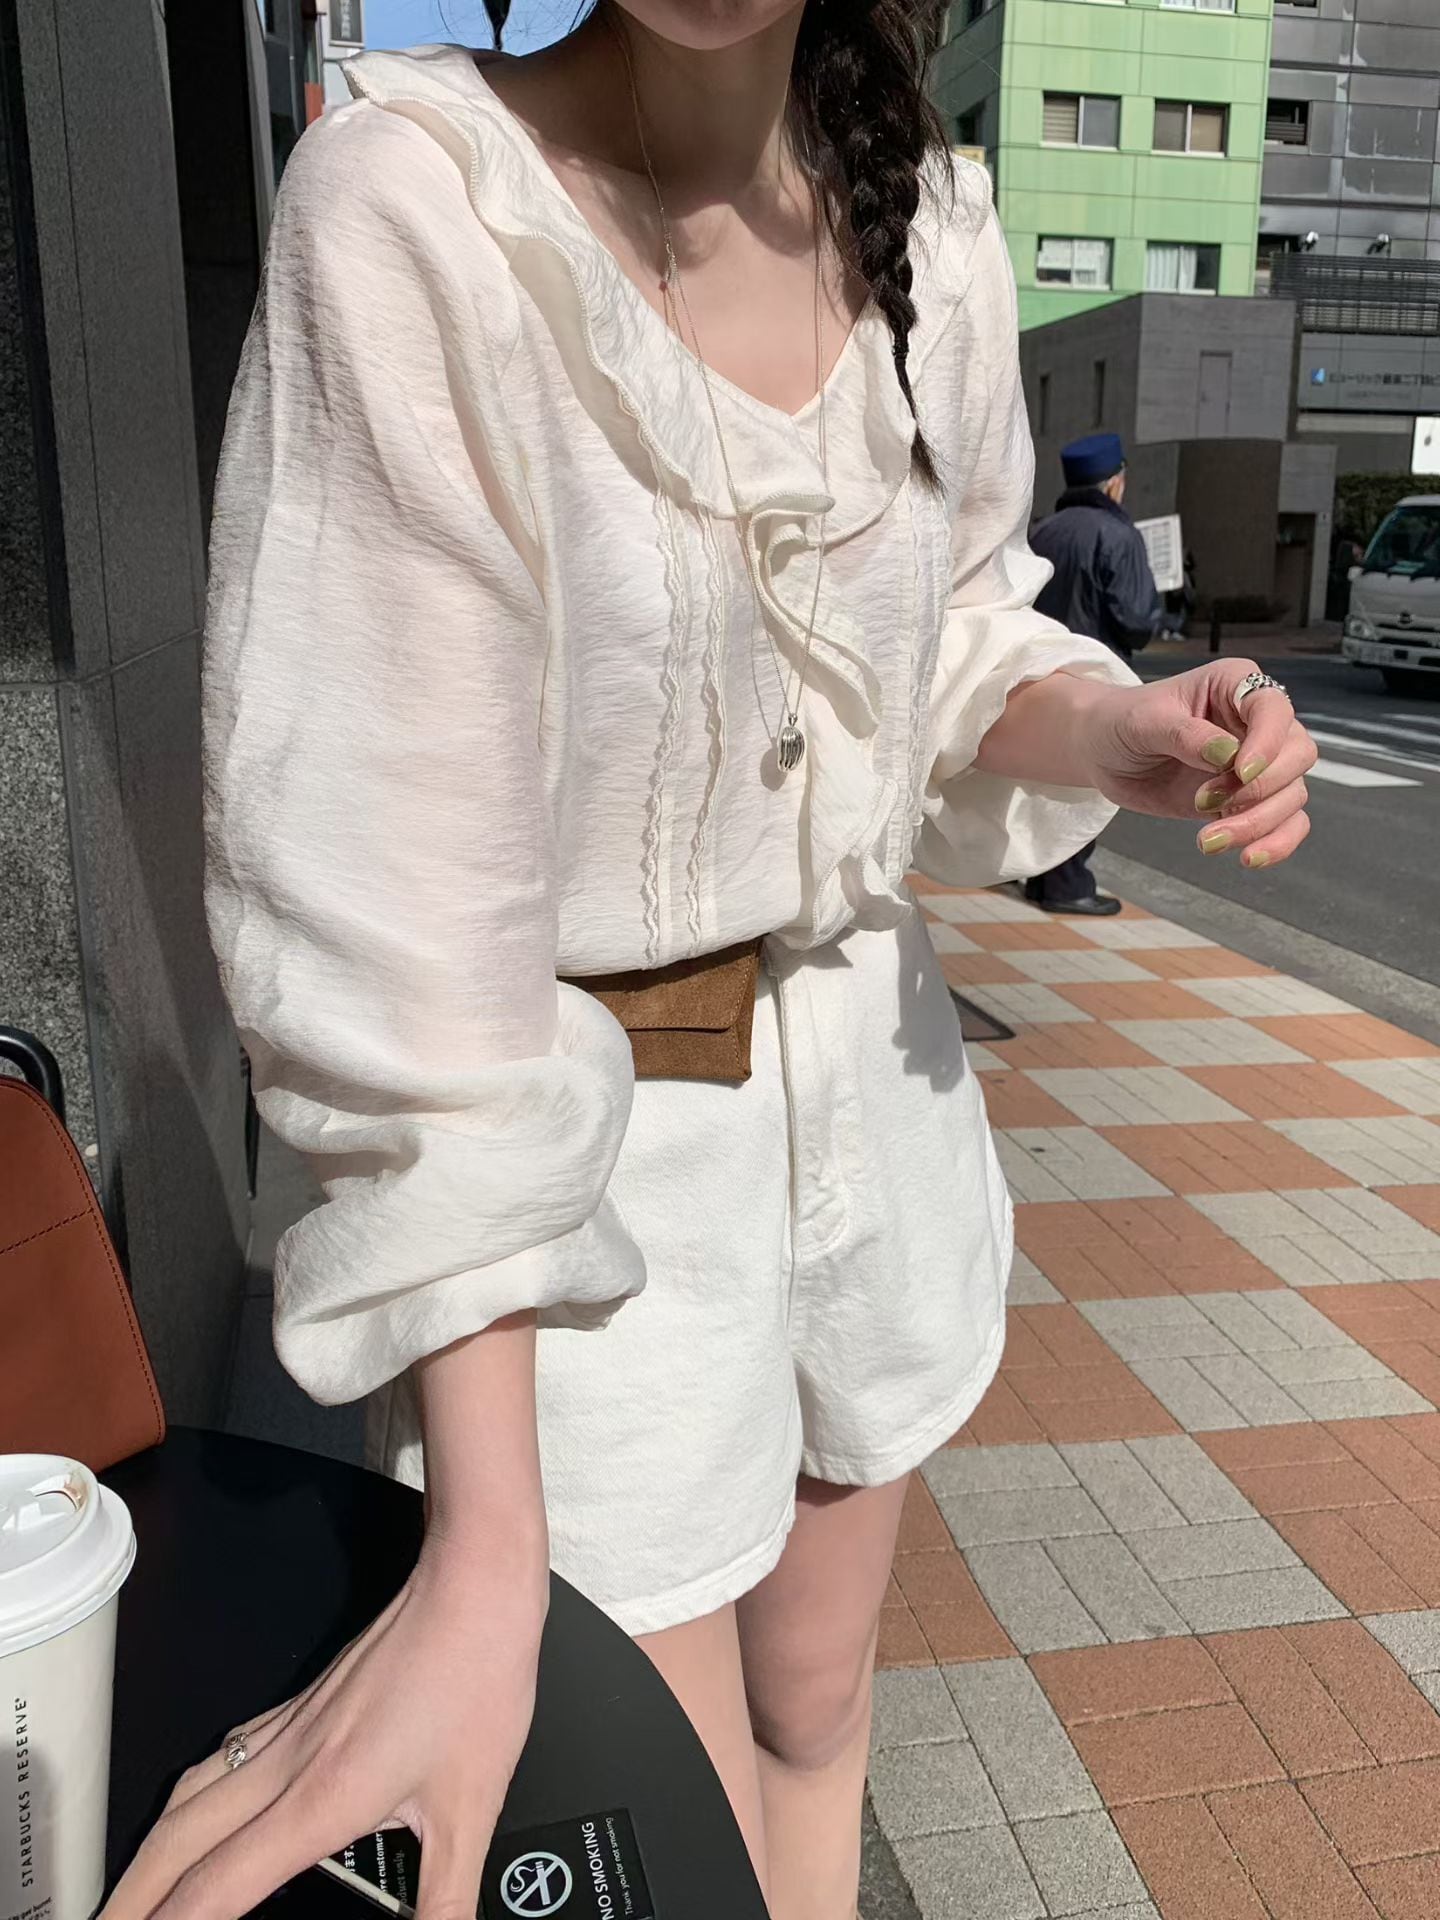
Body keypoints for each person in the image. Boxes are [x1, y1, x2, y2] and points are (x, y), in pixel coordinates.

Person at [103, 8, 1316, 1917]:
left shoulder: (933, 231)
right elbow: (394, 893)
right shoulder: (422, 207)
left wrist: (1110, 727)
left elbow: (953, 633)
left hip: (877, 1103)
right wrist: (482, 1540)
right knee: (661, 1829)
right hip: (593, 1189)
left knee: (817, 1715)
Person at [1023, 432, 1182, 915]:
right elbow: (1135, 621)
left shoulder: (1043, 531)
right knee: (1084, 784)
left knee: (1040, 777)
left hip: (1038, 671)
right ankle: (1067, 885)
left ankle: (1039, 876)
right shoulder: (1118, 535)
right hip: (1095, 675)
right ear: (1114, 482)